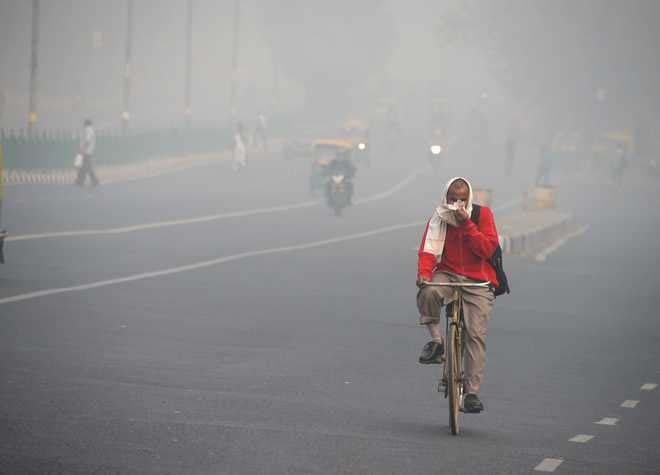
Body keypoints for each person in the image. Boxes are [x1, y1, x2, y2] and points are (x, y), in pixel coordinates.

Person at [416, 177, 500, 413]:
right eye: (453, 199)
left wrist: (467, 225)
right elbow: (428, 250)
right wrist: (424, 274)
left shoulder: (482, 216)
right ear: (446, 198)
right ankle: (436, 342)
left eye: (462, 200)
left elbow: (486, 249)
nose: (457, 204)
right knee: (428, 291)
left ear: (469, 198)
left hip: (478, 279)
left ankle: (472, 393)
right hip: (449, 275)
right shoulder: (439, 217)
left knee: (476, 334)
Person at [75, 118, 99, 187]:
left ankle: (91, 180)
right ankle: (80, 180)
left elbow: (87, 140)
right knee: (85, 167)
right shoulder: (91, 130)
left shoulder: (88, 130)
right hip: (89, 151)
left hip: (86, 151)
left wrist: (82, 149)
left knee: (86, 167)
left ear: (86, 124)